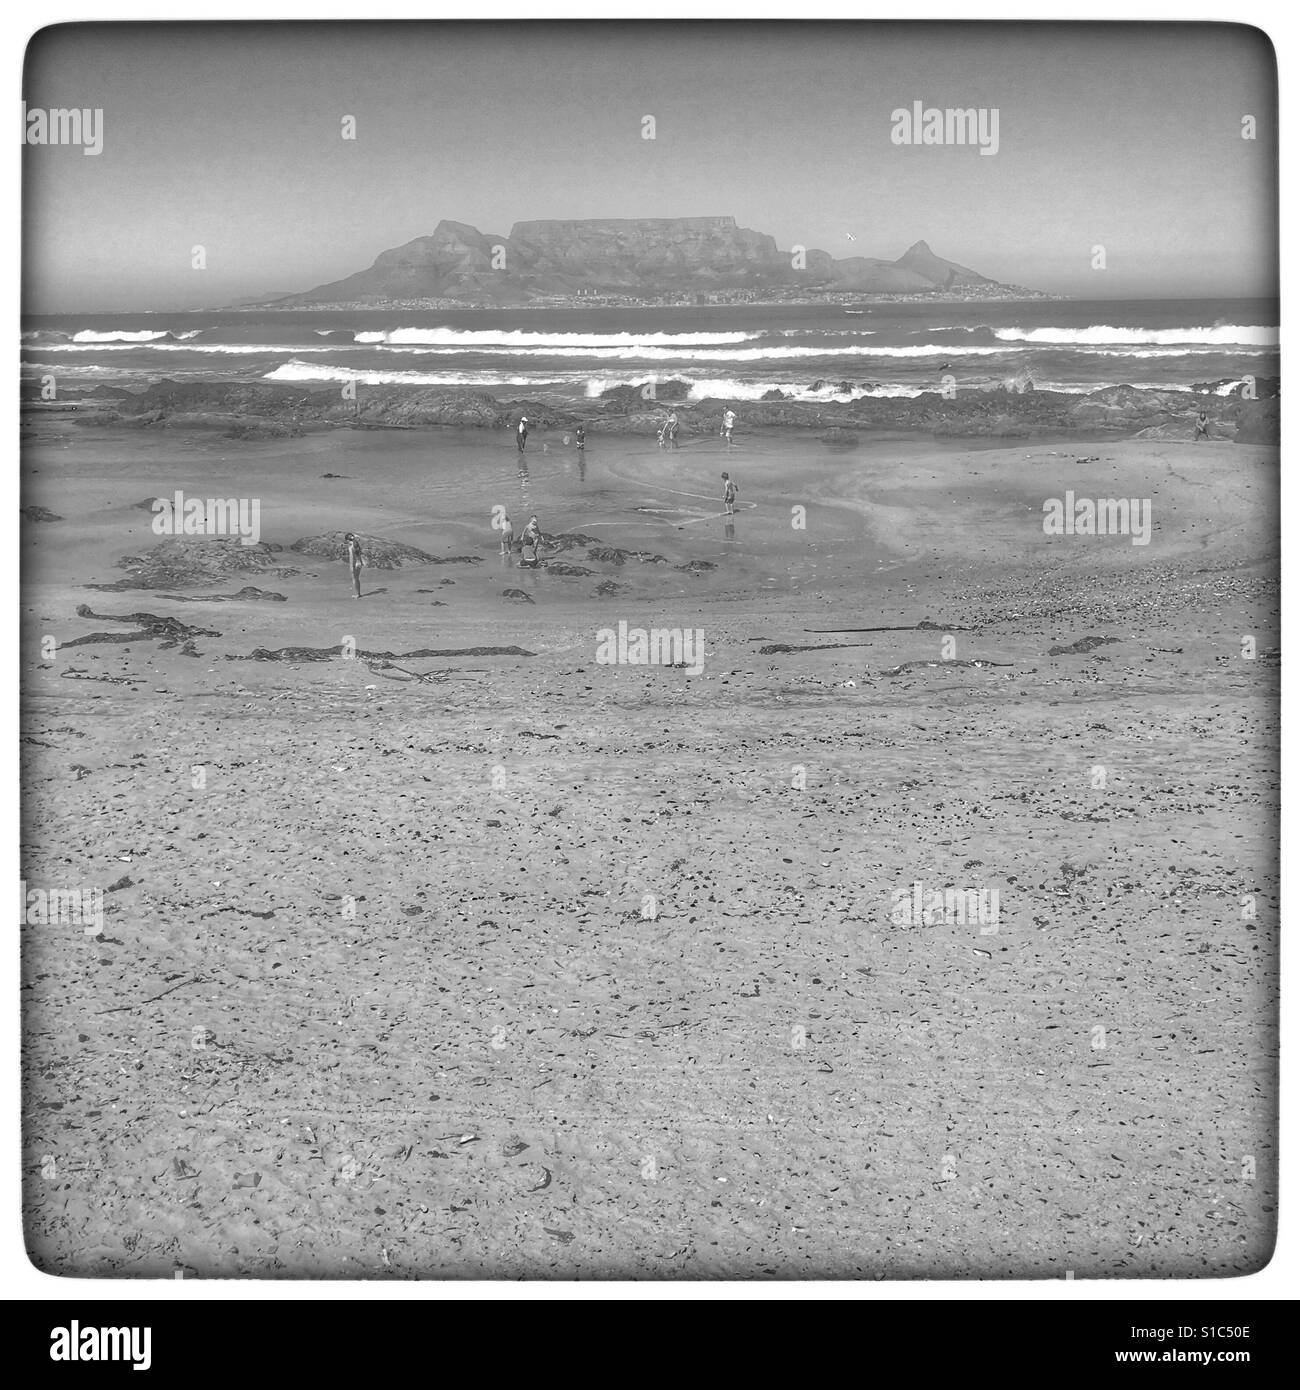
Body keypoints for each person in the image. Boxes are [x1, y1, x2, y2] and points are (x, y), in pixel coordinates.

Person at [344, 532, 365, 599]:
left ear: (348, 540)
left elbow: (357, 553)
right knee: (356, 578)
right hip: (358, 563)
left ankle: (357, 594)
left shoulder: (353, 546)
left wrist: (358, 562)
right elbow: (358, 539)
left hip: (354, 563)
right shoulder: (356, 544)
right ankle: (358, 593)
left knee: (354, 579)